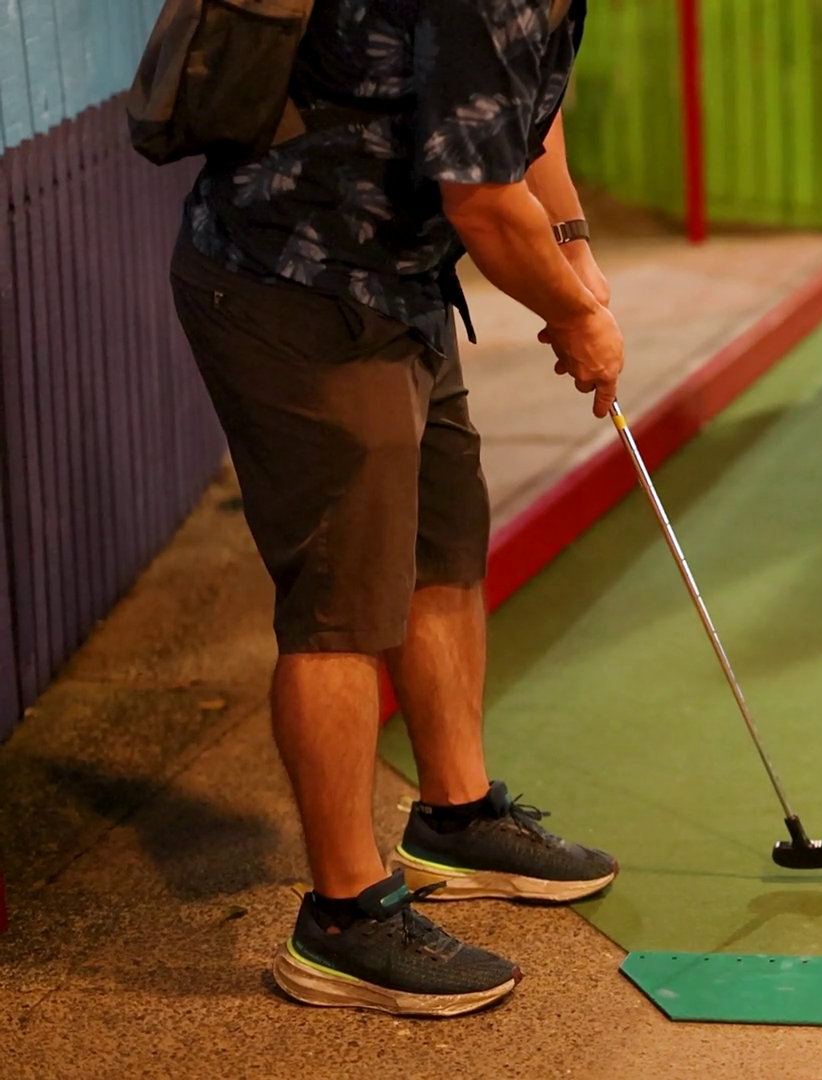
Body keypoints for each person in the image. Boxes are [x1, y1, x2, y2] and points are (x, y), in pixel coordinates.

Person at [169, 0, 622, 1017]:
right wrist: (574, 316)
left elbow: (523, 111)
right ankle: (342, 921)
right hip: (297, 281)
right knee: (341, 605)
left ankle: (454, 823)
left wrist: (573, 244)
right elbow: (484, 203)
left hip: (397, 281)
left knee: (442, 545)